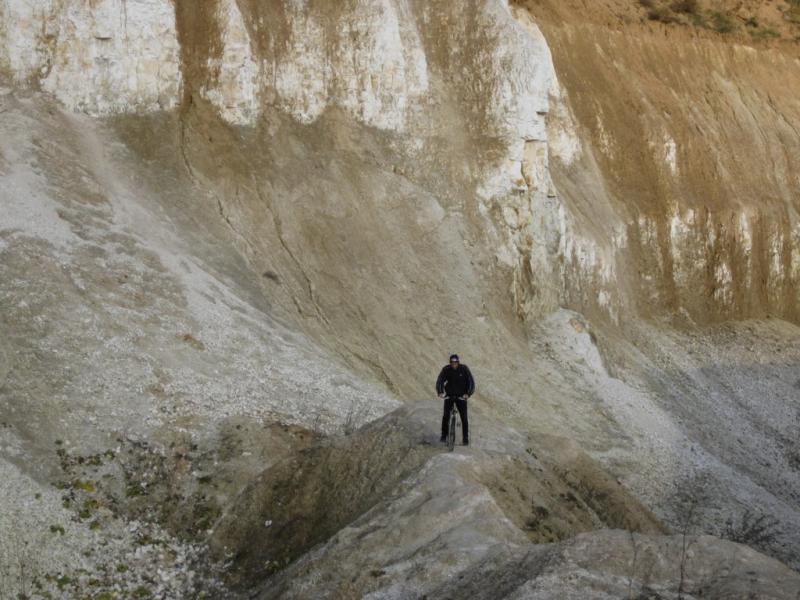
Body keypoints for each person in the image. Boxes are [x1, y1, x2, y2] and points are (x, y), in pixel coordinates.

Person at [436, 354, 475, 446]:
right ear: (450, 363)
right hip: (450, 395)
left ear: (458, 362)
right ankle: (444, 435)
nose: (454, 364)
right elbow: (440, 380)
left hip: (461, 396)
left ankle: (465, 438)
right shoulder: (446, 369)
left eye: (455, 362)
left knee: (464, 418)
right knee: (446, 416)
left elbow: (471, 382)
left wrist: (468, 394)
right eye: (452, 362)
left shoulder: (464, 369)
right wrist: (440, 392)